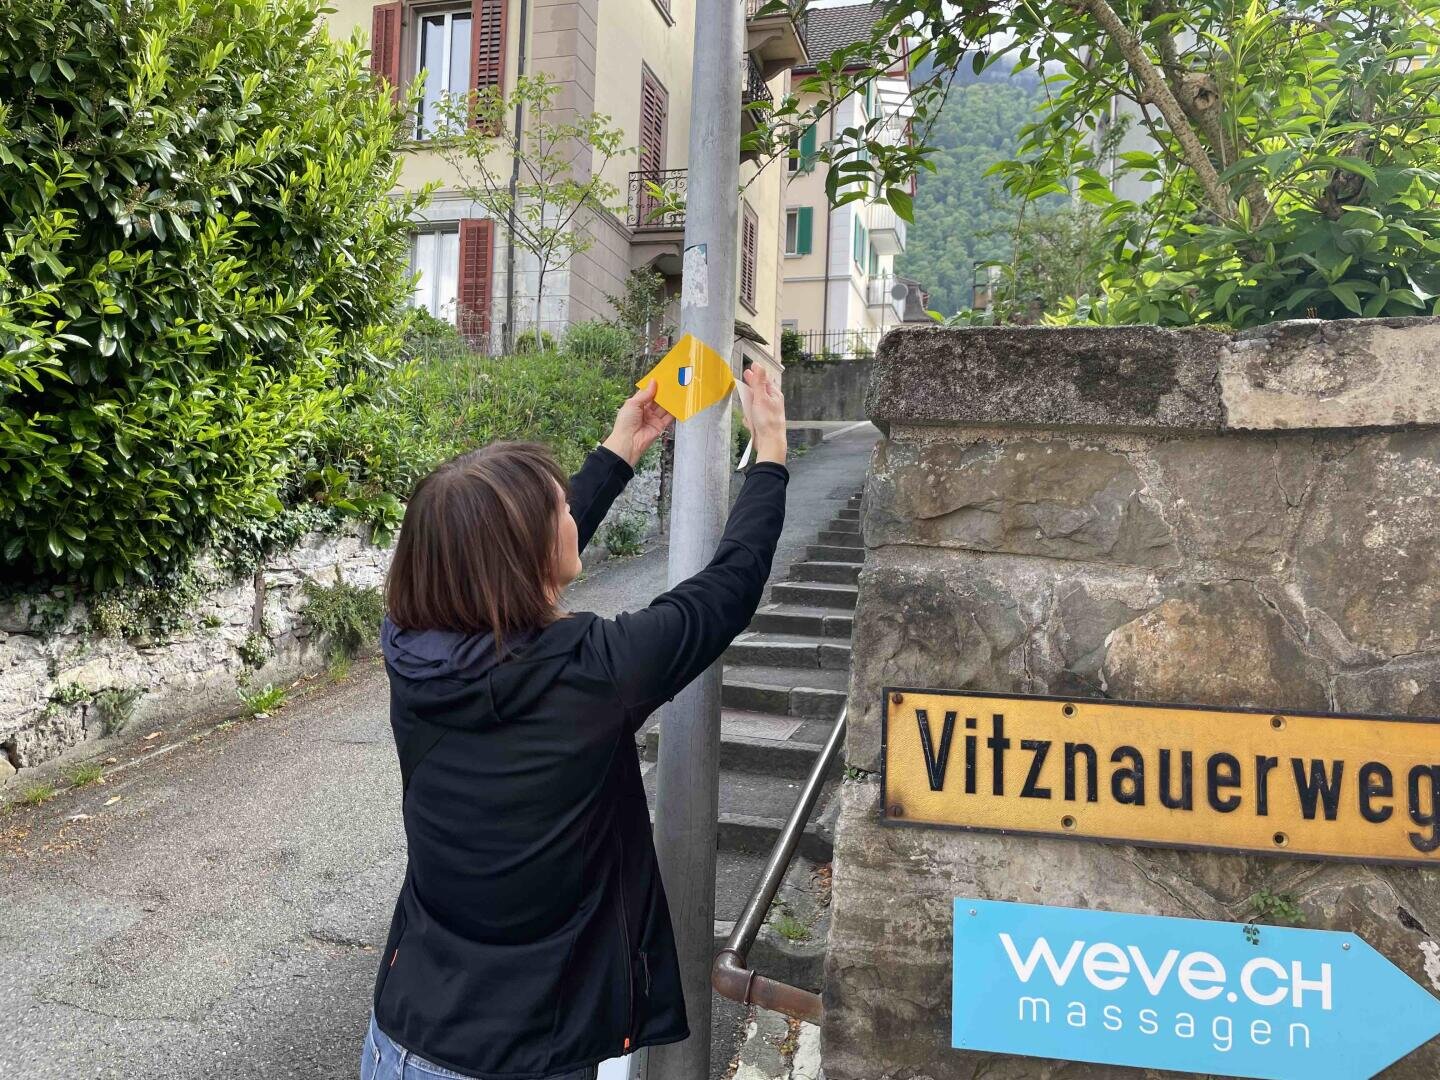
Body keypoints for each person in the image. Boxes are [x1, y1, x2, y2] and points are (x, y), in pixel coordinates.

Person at [361, 366, 789, 1080]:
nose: (571, 515)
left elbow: (492, 563)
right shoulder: (591, 670)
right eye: (560, 510)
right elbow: (727, 589)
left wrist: (620, 449)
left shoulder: (408, 647)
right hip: (530, 1057)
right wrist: (770, 453)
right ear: (528, 552)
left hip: (403, 1042)